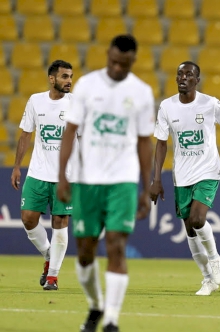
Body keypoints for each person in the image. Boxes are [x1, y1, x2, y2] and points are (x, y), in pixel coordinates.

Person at [57, 35, 154, 332]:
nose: (116, 67)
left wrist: (145, 186)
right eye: (112, 61)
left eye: (123, 64)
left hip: (122, 182)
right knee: (85, 252)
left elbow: (144, 142)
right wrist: (63, 175)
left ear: (132, 61)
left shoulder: (141, 92)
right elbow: (70, 132)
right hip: (87, 181)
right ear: (108, 55)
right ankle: (96, 305)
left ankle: (111, 318)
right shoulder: (87, 85)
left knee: (116, 246)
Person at [150, 61, 220, 296]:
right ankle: (208, 279)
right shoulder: (167, 107)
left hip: (208, 170)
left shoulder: (210, 103)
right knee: (189, 228)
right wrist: (156, 179)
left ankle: (215, 258)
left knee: (198, 219)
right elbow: (161, 143)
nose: (183, 78)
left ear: (197, 80)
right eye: (179, 74)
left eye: (189, 74)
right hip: (182, 174)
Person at [11, 60, 75, 290]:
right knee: (28, 219)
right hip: (37, 172)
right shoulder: (35, 101)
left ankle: (53, 277)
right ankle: (49, 254)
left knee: (60, 222)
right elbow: (26, 134)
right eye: (65, 76)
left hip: (65, 175)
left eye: (70, 77)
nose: (69, 81)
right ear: (52, 78)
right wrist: (18, 166)